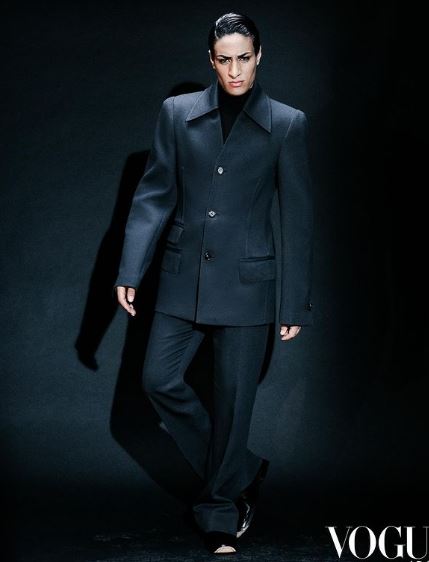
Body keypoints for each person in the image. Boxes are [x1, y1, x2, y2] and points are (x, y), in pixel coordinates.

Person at [114, 12, 313, 555]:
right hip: (182, 277)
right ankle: (241, 467)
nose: (235, 70)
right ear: (211, 61)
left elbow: (297, 218)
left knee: (233, 404)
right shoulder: (177, 114)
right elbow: (154, 194)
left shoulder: (287, 123)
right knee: (158, 379)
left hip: (249, 285)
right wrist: (131, 268)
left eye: (244, 58)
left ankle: (221, 510)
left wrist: (294, 301)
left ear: (259, 56)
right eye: (224, 60)